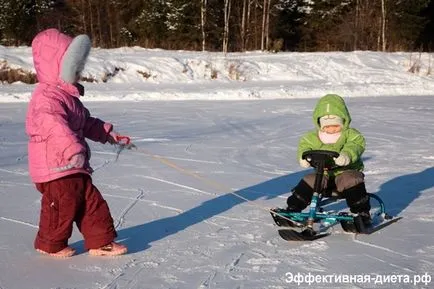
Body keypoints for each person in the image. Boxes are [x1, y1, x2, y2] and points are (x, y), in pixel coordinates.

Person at [26, 28, 128, 257]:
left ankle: (100, 241)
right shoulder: (46, 98)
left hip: (73, 165)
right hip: (55, 167)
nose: (78, 73)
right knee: (62, 206)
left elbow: (86, 122)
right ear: (58, 67)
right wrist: (72, 148)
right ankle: (50, 244)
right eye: (74, 68)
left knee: (92, 203)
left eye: (79, 68)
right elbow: (53, 125)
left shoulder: (69, 98)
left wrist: (109, 134)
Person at [285, 94, 371, 225]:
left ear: (343, 121)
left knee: (350, 179)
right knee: (309, 180)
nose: (331, 129)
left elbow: (356, 145)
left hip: (346, 172)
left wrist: (346, 155)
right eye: (327, 126)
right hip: (323, 174)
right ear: (320, 123)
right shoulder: (313, 137)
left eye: (335, 126)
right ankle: (292, 209)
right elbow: (305, 145)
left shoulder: (351, 135)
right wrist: (304, 157)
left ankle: (361, 212)